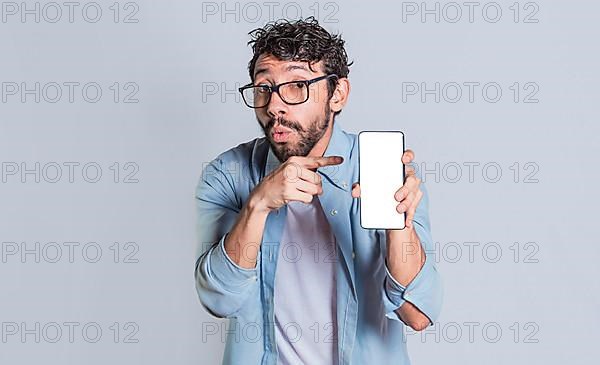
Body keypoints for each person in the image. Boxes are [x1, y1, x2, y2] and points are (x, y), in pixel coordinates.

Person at [195, 17, 443, 365]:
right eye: (264, 87)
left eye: (297, 85)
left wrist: (398, 224)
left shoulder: (383, 172)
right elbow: (218, 300)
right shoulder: (228, 174)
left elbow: (417, 314)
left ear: (337, 94)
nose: (275, 106)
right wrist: (258, 205)